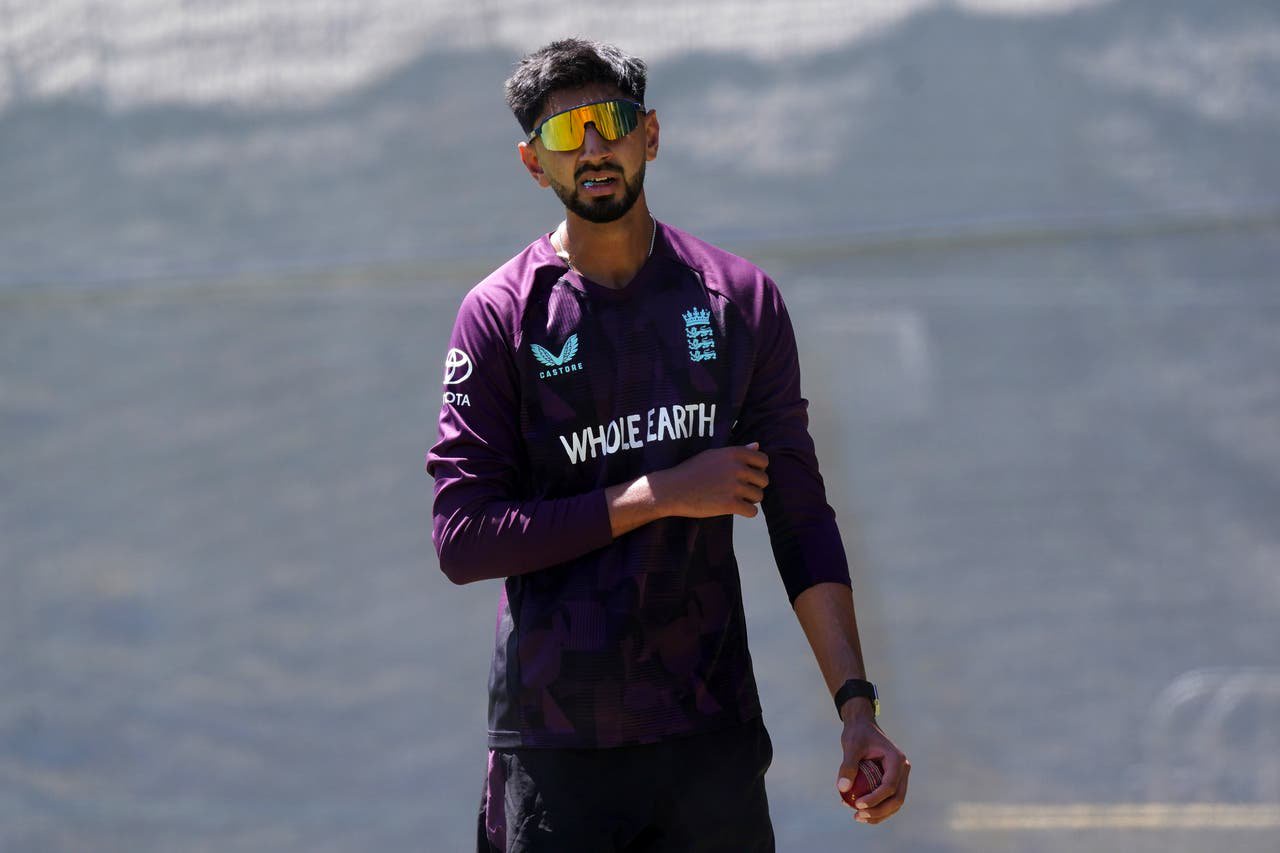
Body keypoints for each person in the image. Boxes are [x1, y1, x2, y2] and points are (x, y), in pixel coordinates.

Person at [426, 37, 908, 853]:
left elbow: (799, 514)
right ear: (531, 163)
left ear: (650, 133)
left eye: (610, 121)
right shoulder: (501, 313)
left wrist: (856, 708)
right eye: (563, 132)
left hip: (707, 745)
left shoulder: (737, 299)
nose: (592, 148)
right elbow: (462, 538)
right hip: (556, 752)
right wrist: (659, 494)